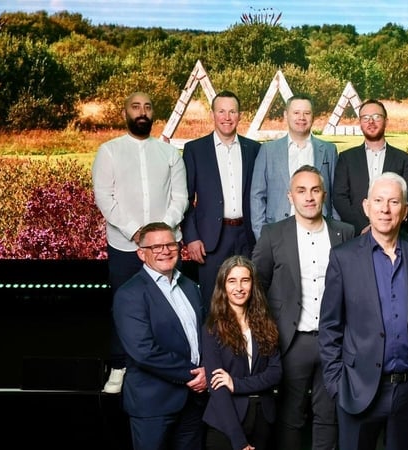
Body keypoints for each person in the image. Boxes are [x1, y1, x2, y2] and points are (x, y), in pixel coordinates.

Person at [318, 172, 408, 450]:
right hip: (357, 388)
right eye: (378, 201)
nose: (385, 209)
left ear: (405, 210)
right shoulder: (343, 257)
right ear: (366, 207)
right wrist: (336, 384)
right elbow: (329, 327)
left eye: (393, 202)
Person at [252, 165, 355, 450]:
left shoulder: (345, 233)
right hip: (291, 341)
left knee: (329, 415)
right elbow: (257, 285)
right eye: (301, 191)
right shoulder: (273, 234)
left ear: (324, 194)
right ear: (290, 196)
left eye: (315, 190)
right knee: (290, 415)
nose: (308, 197)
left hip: (335, 341)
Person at [92, 91, 189, 394]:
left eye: (147, 106)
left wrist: (160, 236)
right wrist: (138, 234)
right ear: (126, 113)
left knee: (169, 306)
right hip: (125, 246)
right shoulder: (109, 151)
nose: (142, 112)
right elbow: (105, 199)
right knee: (125, 306)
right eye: (136, 107)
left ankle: (173, 366)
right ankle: (120, 366)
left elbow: (180, 198)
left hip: (167, 248)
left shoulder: (169, 154)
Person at [112, 222, 207, 450]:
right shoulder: (130, 294)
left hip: (193, 402)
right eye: (156, 247)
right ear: (141, 254)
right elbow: (143, 351)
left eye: (170, 244)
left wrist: (208, 369)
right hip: (153, 405)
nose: (165, 251)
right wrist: (193, 375)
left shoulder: (191, 287)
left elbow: (205, 336)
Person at [182, 90, 261, 304]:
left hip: (247, 236)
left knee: (248, 298)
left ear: (240, 115)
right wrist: (191, 237)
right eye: (222, 111)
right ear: (212, 115)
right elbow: (186, 199)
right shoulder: (195, 150)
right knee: (212, 300)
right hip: (210, 239)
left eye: (232, 111)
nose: (227, 117)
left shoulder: (254, 149)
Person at [202, 256, 282, 450]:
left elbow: (275, 373)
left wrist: (235, 384)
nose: (239, 287)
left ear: (252, 284)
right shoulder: (212, 328)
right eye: (232, 281)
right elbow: (218, 390)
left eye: (245, 280)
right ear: (223, 286)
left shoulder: (265, 323)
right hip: (227, 424)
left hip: (263, 419)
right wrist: (239, 442)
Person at [250, 94, 338, 239]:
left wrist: (335, 232)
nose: (301, 117)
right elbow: (257, 196)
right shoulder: (268, 150)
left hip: (321, 230)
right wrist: (262, 235)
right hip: (279, 230)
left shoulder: (328, 150)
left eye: (307, 113)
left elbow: (335, 194)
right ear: (286, 115)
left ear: (313, 116)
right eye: (296, 113)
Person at [333, 99, 408, 235]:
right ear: (360, 123)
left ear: (386, 121)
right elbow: (339, 197)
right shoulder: (347, 158)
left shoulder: (404, 160)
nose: (371, 122)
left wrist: (386, 224)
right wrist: (362, 227)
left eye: (376, 117)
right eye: (365, 118)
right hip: (357, 234)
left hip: (394, 233)